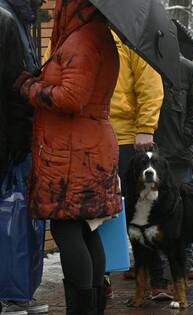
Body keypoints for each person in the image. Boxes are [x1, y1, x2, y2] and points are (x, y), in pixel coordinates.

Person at [14, 0, 121, 313]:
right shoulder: (97, 35)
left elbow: (71, 98)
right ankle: (92, 306)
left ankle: (82, 309)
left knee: (67, 228)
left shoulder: (83, 40)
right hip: (86, 145)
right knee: (86, 227)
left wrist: (28, 86)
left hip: (75, 150)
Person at [107, 33, 172, 300]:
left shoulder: (126, 34)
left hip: (125, 136)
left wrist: (145, 127)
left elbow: (149, 82)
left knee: (141, 208)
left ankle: (158, 279)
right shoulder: (76, 29)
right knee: (95, 211)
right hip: (89, 134)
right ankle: (100, 276)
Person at [0, 0, 48, 314]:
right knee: (13, 219)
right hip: (10, 140)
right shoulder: (8, 21)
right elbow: (14, 86)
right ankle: (14, 293)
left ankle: (16, 292)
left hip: (11, 137)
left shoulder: (17, 18)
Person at [155, 55, 193, 280]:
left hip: (178, 152)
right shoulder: (140, 63)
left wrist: (186, 136)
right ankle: (154, 259)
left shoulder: (187, 69)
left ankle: (188, 256)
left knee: (184, 207)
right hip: (149, 150)